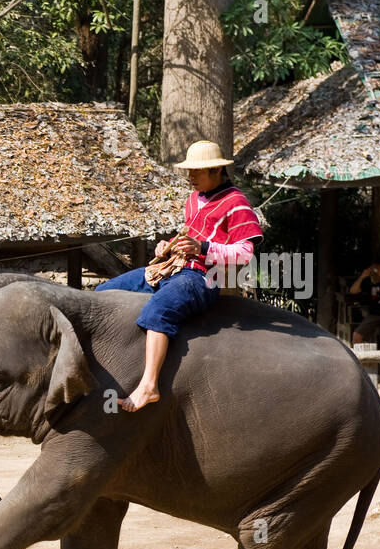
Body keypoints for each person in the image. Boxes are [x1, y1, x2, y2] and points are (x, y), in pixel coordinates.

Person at [97, 140, 263, 411]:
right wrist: (169, 245)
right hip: (170, 268)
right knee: (103, 293)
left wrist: (204, 248)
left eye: (197, 171)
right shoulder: (193, 200)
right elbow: (190, 235)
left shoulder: (237, 203)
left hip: (202, 279)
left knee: (158, 311)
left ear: (217, 170)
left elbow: (246, 253)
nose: (191, 177)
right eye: (190, 171)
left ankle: (149, 386)